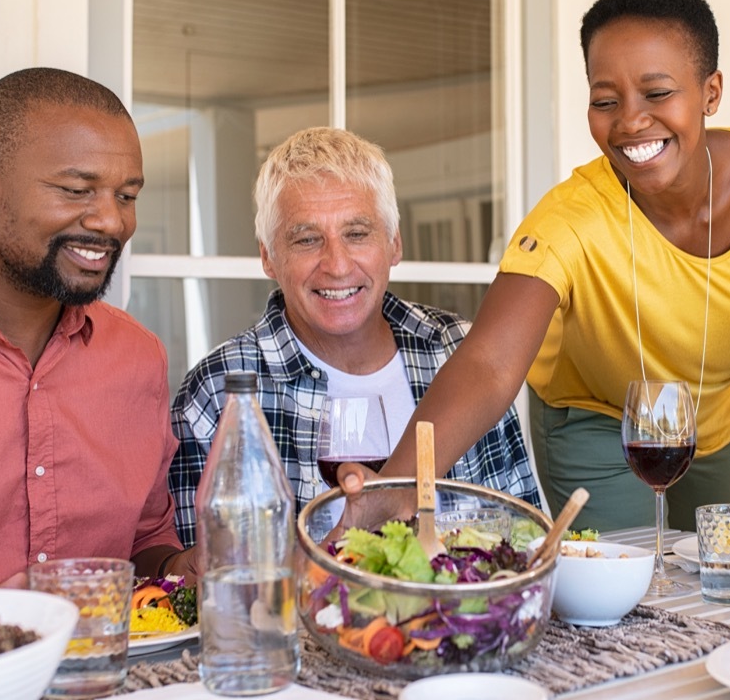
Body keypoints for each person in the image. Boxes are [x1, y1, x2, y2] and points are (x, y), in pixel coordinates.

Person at [345, 0, 730, 532]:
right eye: (605, 101)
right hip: (597, 420)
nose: (631, 121)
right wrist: (400, 487)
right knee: (625, 590)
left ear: (710, 92)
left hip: (719, 423)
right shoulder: (570, 218)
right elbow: (490, 364)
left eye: (658, 93)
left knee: (721, 583)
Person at [168, 126, 542, 548]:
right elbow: (199, 583)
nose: (338, 265)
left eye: (357, 234)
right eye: (307, 239)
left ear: (395, 244)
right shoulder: (218, 391)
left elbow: (525, 543)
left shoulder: (459, 351)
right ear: (268, 257)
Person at [0, 67, 194, 587]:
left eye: (126, 196)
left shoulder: (138, 357)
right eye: (77, 190)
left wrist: (178, 568)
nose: (111, 221)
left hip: (102, 668)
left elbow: (146, 539)